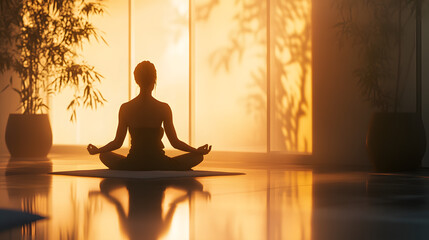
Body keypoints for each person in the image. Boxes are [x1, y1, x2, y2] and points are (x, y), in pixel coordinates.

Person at [87, 61, 211, 170]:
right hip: (159, 163)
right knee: (198, 157)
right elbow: (175, 142)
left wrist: (98, 150)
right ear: (154, 79)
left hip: (133, 163)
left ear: (136, 80)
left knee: (104, 155)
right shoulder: (164, 108)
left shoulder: (125, 108)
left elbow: (117, 142)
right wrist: (196, 151)